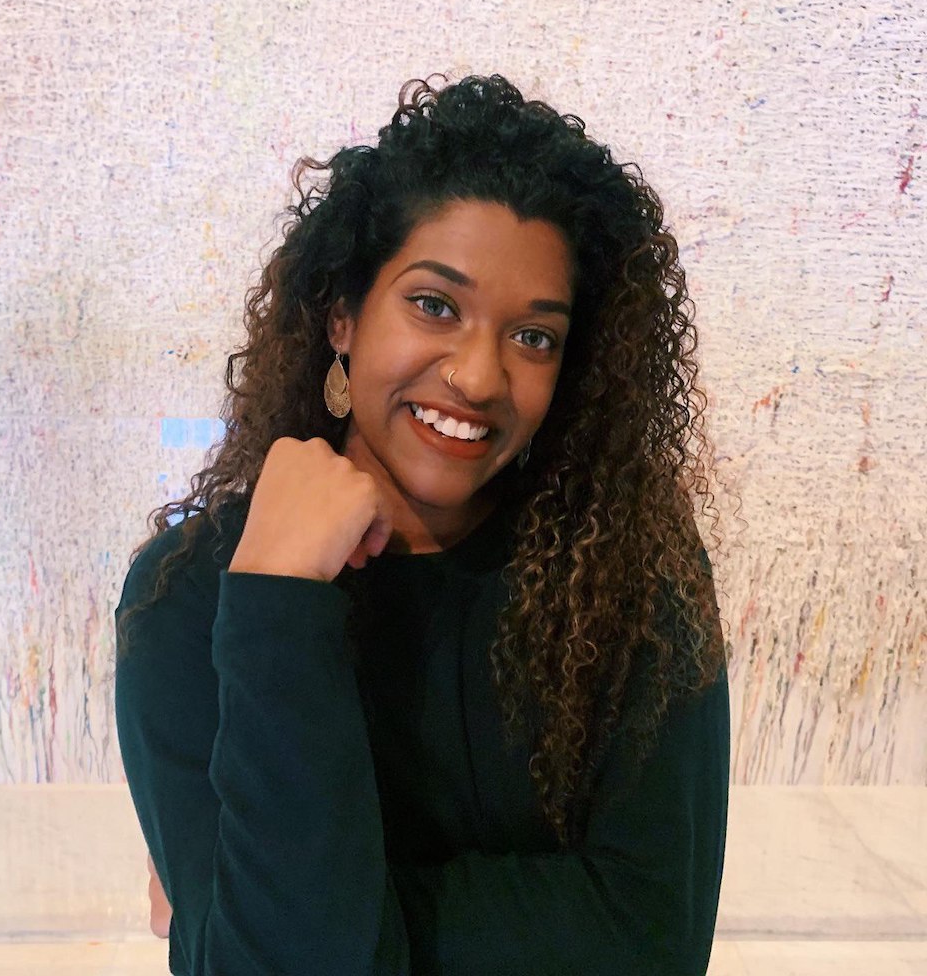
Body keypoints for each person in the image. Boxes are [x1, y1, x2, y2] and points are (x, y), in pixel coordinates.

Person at [114, 72, 732, 976]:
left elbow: (651, 940)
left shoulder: (632, 577)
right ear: (342, 317)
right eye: (435, 305)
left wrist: (332, 909)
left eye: (534, 337)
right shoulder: (193, 594)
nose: (480, 378)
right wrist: (278, 599)